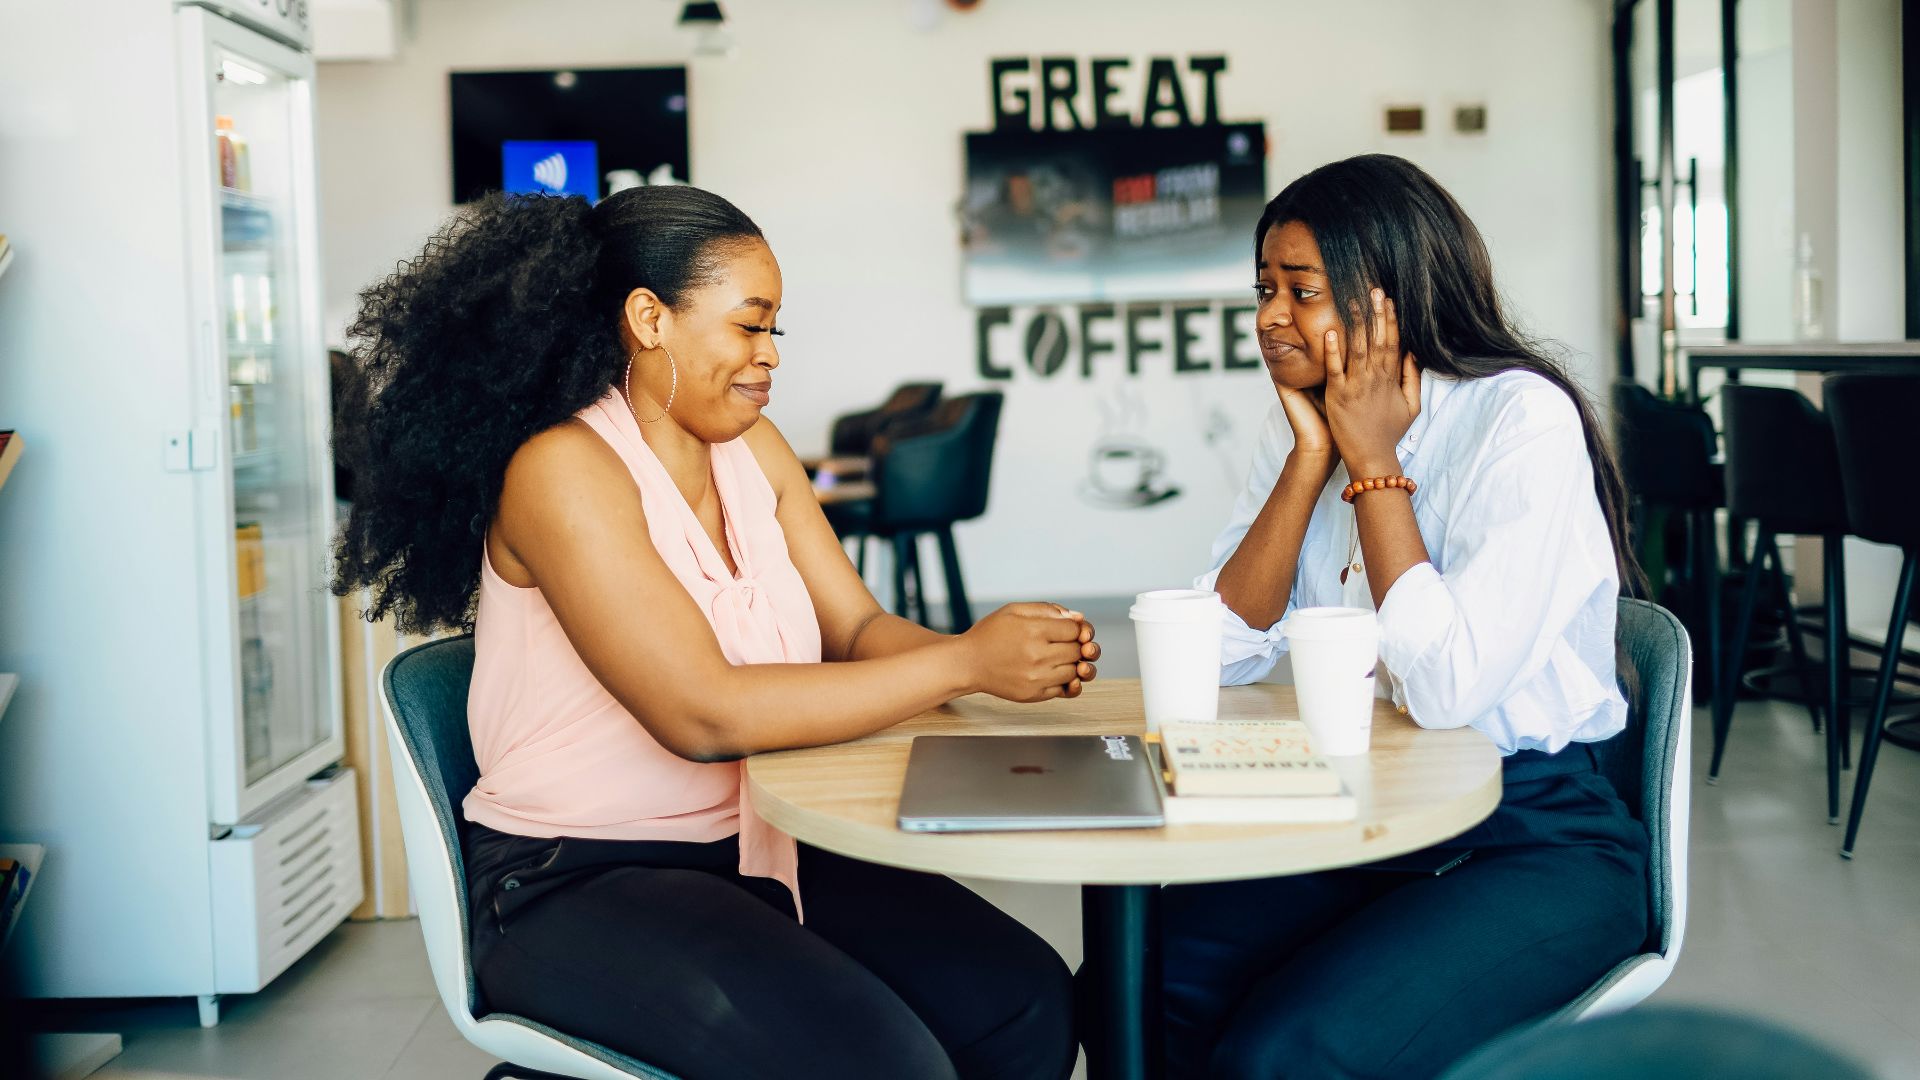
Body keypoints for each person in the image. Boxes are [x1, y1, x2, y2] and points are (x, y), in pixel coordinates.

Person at [332, 185, 1099, 1080]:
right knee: (884, 1065)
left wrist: (999, 662)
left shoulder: (755, 449)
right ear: (649, 318)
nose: (771, 356)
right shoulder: (562, 470)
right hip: (575, 879)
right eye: (750, 326)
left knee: (1023, 1004)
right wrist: (965, 662)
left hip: (756, 843)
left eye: (776, 330)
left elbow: (853, 626)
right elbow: (703, 714)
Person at [1161, 154, 1651, 1079]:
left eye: (1299, 290)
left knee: (1288, 1054)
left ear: (1387, 301)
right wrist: (1315, 461)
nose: (1268, 316)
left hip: (1533, 833)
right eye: (1264, 288)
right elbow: (1220, 651)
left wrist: (1374, 463)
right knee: (1151, 984)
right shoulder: (1299, 425)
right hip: (1366, 811)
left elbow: (1448, 689)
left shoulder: (1519, 422)